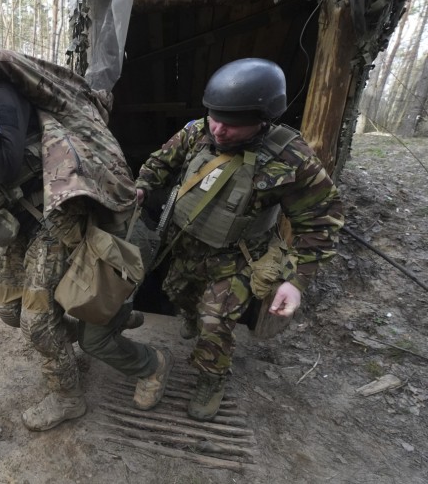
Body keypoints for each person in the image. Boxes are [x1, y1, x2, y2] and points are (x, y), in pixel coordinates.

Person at [0, 46, 174, 431]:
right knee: (12, 311)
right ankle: (98, 325)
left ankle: (72, 395)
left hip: (59, 215)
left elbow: (3, 164)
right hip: (27, 224)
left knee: (37, 323)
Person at [135, 58, 344, 421]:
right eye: (214, 118)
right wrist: (141, 188)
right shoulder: (198, 130)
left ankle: (211, 377)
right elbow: (160, 163)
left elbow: (320, 224)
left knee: (214, 322)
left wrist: (296, 282)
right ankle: (190, 316)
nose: (218, 130)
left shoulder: (291, 159)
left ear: (262, 119)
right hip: (183, 244)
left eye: (231, 125)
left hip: (238, 257)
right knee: (178, 293)